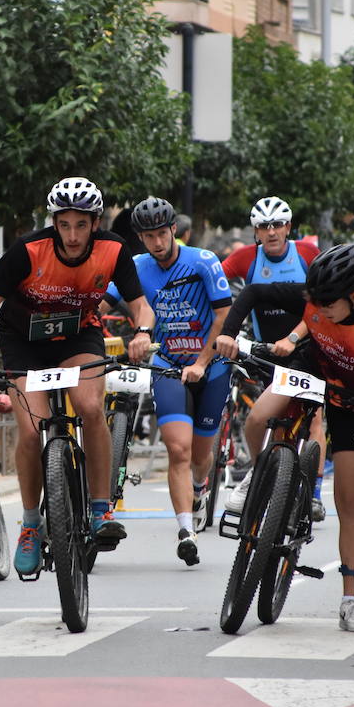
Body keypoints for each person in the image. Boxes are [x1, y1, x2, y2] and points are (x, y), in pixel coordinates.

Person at [214, 244, 354, 632]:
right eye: (315, 301)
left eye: (329, 303)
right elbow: (251, 292)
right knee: (258, 418)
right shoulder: (311, 297)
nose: (320, 309)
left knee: (349, 501)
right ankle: (260, 473)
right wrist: (229, 333)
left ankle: (350, 602)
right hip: (310, 372)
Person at [0, 178, 154, 576]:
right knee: (31, 431)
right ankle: (31, 524)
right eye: (64, 224)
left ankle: (100, 511)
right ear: (54, 222)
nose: (73, 235)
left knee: (88, 407)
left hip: (77, 335)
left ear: (95, 223)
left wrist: (144, 333)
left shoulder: (113, 249)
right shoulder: (29, 250)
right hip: (23, 340)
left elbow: (139, 304)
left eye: (81, 225)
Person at [103, 196, 232, 565]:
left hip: (213, 367)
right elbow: (101, 305)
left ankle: (200, 486)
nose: (157, 243)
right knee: (178, 449)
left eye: (162, 234)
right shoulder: (137, 266)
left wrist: (203, 362)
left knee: (201, 456)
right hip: (169, 365)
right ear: (140, 238)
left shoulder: (203, 262)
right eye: (148, 237)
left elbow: (224, 316)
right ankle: (186, 531)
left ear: (173, 230)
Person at [220, 196, 326, 519]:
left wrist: (293, 338)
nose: (271, 232)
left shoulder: (307, 254)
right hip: (267, 351)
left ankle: (315, 493)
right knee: (267, 418)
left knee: (315, 417)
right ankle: (261, 470)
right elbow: (217, 289)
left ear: (288, 227)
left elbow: (322, 304)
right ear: (255, 231)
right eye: (264, 226)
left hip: (306, 346)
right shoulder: (245, 259)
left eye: (277, 225)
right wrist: (226, 332)